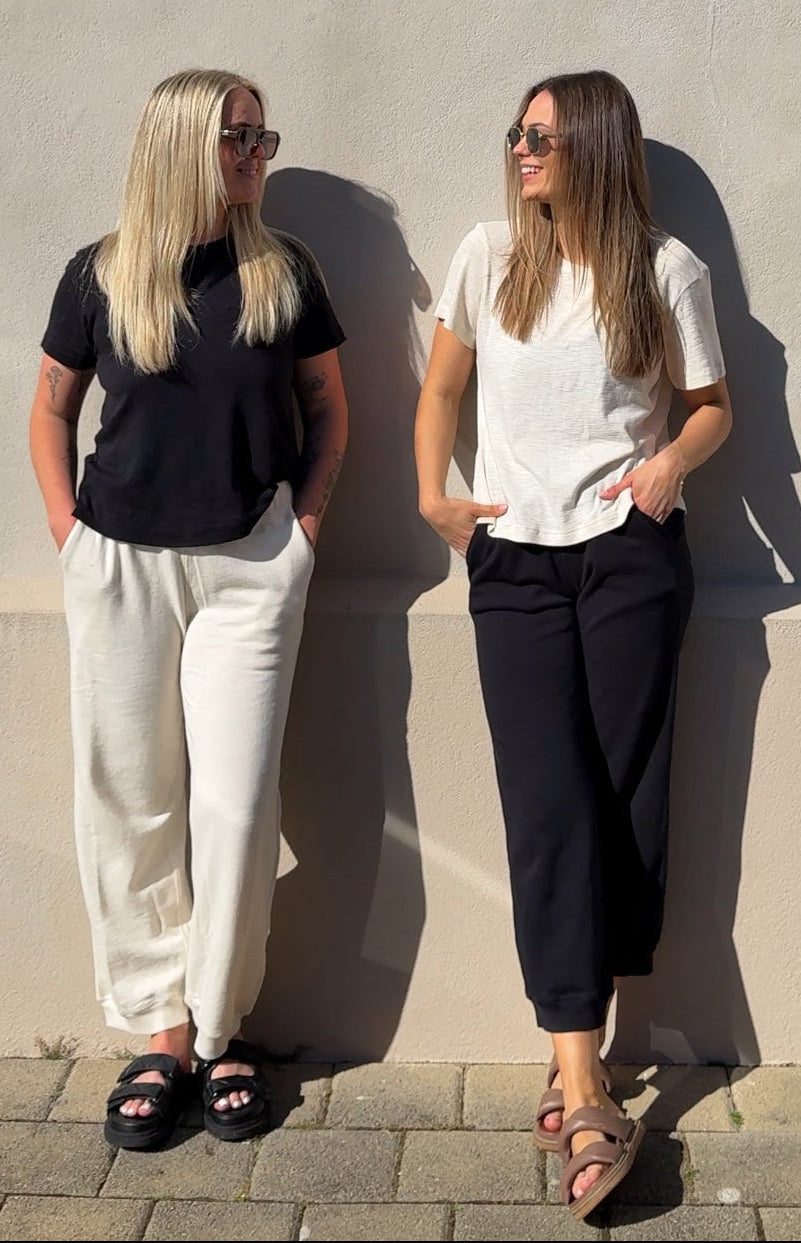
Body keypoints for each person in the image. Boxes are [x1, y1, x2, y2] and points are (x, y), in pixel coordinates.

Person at [414, 70, 731, 1219]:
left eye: (542, 135)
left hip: (632, 556)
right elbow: (440, 389)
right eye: (517, 132)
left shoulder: (666, 269)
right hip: (516, 566)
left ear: (594, 143)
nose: (522, 149)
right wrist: (433, 502)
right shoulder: (490, 254)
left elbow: (713, 403)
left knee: (622, 800)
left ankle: (574, 1048)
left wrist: (669, 466)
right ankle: (587, 1079)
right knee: (547, 805)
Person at [29, 68, 348, 1148]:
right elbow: (49, 408)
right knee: (127, 798)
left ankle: (221, 1027)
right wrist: (71, 535)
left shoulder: (283, 271)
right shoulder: (102, 272)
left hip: (249, 567)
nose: (259, 154)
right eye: (239, 138)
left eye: (263, 135)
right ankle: (161, 1030)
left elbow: (329, 410)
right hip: (120, 563)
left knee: (236, 808)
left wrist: (301, 535)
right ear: (181, 145)